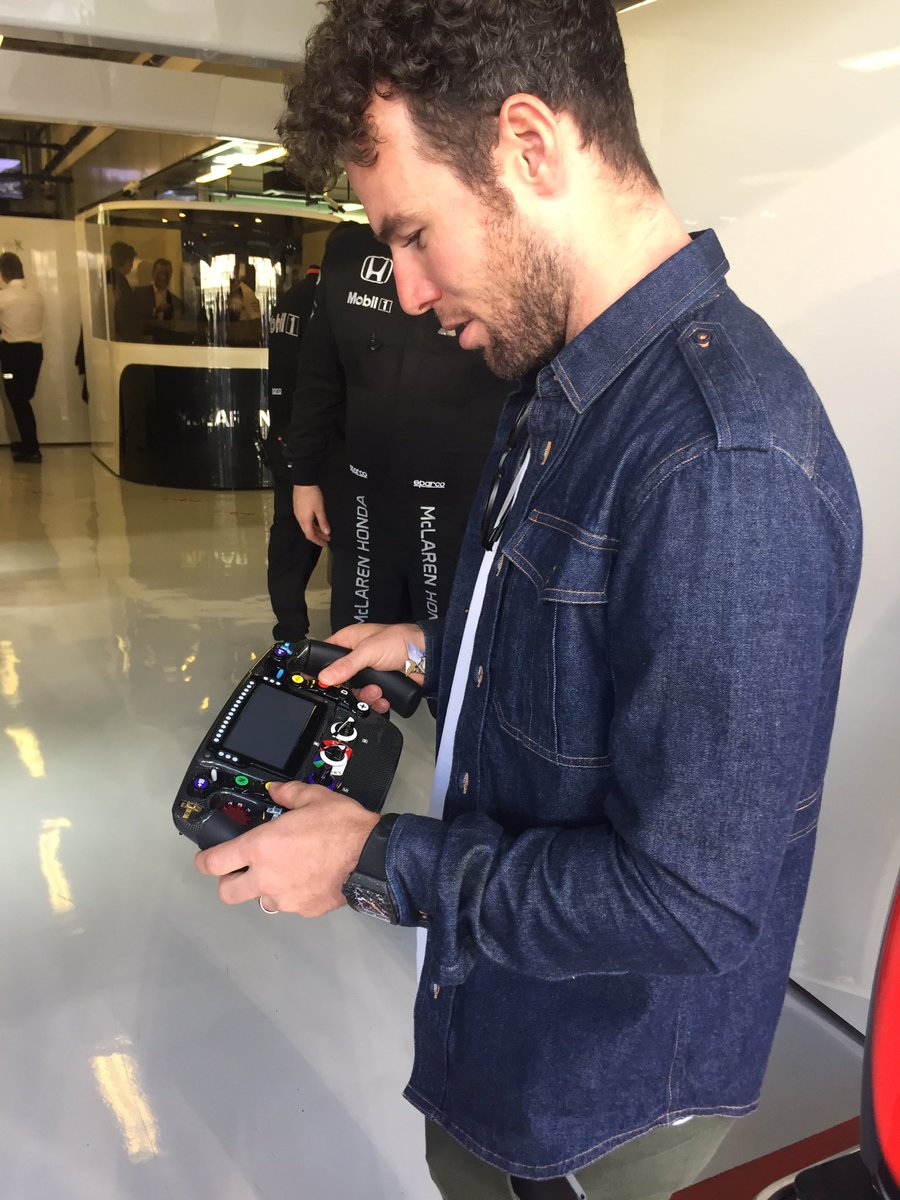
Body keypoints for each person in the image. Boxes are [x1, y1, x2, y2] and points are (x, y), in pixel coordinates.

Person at [195, 3, 863, 1198]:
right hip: (504, 1020)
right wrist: (433, 648)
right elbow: (588, 639)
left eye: (413, 235)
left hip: (597, 1097)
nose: (404, 293)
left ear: (531, 146)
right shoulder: (560, 380)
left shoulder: (726, 464)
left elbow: (690, 902)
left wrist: (376, 858)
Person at [288, 220, 511, 632]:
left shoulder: (493, 243)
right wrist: (304, 477)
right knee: (361, 642)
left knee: (448, 641)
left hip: (462, 500)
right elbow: (318, 375)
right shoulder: (348, 253)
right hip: (364, 495)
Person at [263, 261, 323, 641]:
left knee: (287, 539)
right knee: (325, 536)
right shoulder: (324, 301)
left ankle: (289, 632)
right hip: (311, 440)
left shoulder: (287, 300)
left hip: (282, 433)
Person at [0, 251, 44, 463]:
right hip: (35, 354)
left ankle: (31, 447)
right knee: (23, 398)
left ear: (3, 274)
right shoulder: (36, 295)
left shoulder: (3, 297)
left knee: (16, 399)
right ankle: (27, 443)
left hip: (12, 356)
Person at [106, 241, 140, 341]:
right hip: (118, 335)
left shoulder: (109, 275)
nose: (132, 266)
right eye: (131, 261)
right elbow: (123, 312)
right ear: (127, 260)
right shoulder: (119, 280)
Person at [135, 257, 184, 323]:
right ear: (153, 274)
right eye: (160, 273)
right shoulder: (139, 294)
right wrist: (155, 311)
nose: (163, 277)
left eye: (167, 274)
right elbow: (134, 317)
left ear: (171, 275)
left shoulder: (176, 302)